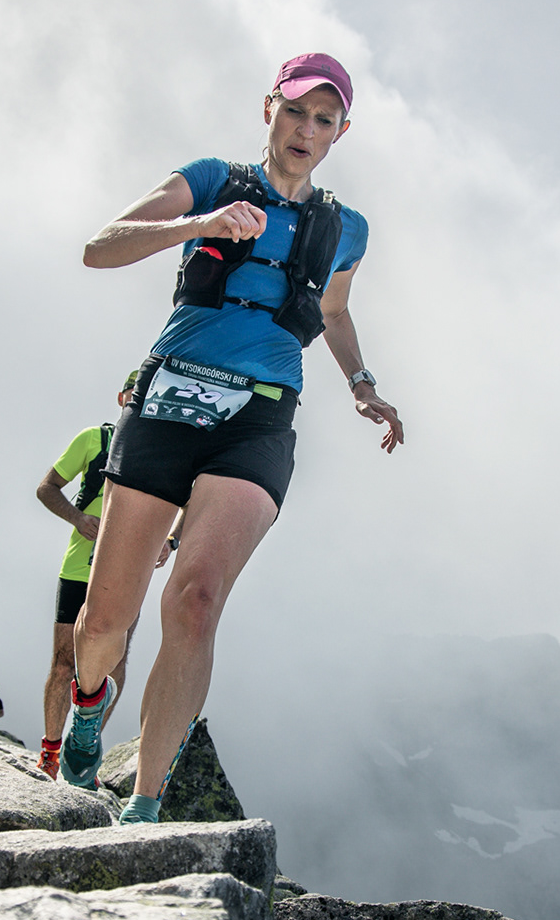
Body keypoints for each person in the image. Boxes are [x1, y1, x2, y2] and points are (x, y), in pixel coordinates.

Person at [63, 51, 404, 823]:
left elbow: (334, 311)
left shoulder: (346, 229)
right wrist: (201, 224)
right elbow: (100, 245)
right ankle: (88, 705)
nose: (305, 129)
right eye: (295, 111)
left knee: (196, 601)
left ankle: (145, 805)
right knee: (106, 622)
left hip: (262, 411)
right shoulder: (213, 179)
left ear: (341, 132)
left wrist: (362, 384)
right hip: (171, 395)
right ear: (269, 109)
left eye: (323, 119)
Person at [34, 371, 179, 778]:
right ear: (122, 397)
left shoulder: (168, 450)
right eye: (135, 393)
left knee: (114, 662)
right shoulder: (93, 439)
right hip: (80, 565)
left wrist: (171, 541)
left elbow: (189, 501)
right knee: (64, 662)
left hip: (129, 569)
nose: (141, 400)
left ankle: (85, 754)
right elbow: (47, 488)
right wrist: (78, 518)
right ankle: (50, 753)